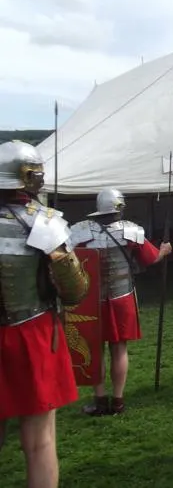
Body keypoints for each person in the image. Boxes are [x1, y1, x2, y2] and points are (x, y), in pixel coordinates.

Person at [0, 140, 90, 488]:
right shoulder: (45, 224)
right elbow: (75, 290)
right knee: (39, 441)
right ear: (30, 177)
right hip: (32, 334)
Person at [70, 188, 172, 416]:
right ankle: (117, 401)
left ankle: (99, 400)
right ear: (120, 207)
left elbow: (68, 264)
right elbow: (151, 257)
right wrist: (163, 251)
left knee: (95, 350)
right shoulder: (130, 231)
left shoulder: (79, 233)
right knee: (119, 349)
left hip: (91, 301)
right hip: (121, 298)